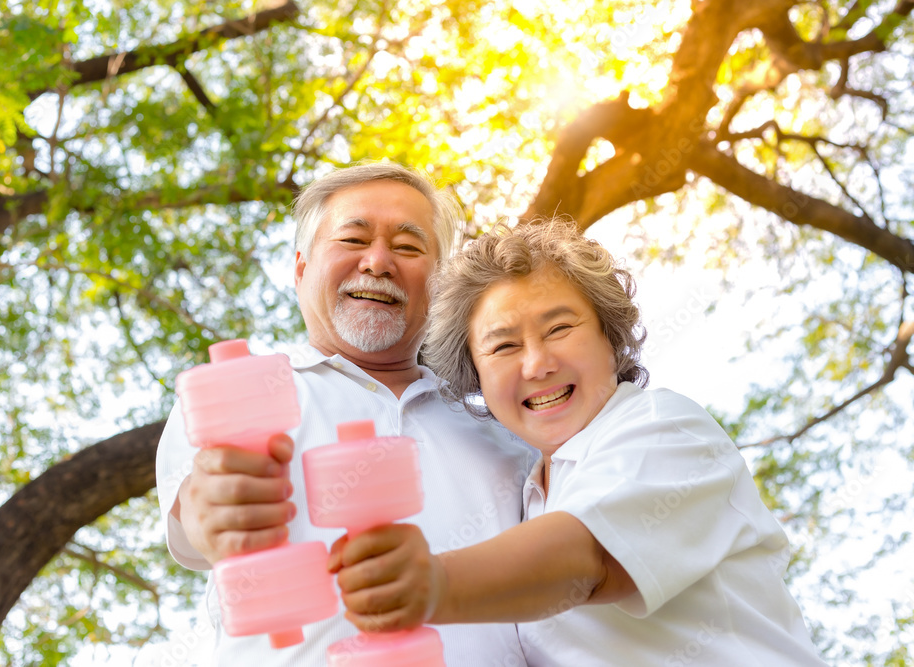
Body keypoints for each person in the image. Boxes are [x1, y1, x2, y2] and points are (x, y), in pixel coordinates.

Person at [330, 219, 828, 666]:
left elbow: (587, 559)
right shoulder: (524, 496)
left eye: (560, 328)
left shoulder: (663, 427)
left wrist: (434, 583)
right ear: (476, 376)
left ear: (610, 340)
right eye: (503, 346)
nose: (537, 364)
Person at [155, 162, 537, 665]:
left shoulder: (506, 427)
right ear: (300, 268)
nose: (378, 262)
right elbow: (200, 512)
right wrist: (215, 508)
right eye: (353, 239)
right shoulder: (239, 392)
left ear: (441, 284)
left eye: (407, 247)